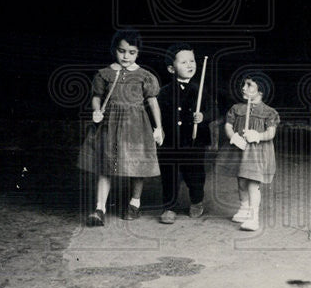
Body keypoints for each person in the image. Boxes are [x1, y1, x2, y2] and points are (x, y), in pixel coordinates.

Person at [78, 29, 163, 226]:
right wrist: (96, 111)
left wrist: (158, 128)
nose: (126, 56)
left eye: (132, 52)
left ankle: (134, 203)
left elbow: (152, 102)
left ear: (138, 53)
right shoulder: (105, 74)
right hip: (110, 125)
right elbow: (97, 96)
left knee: (136, 164)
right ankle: (100, 208)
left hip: (137, 126)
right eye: (122, 51)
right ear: (114, 50)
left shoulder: (145, 76)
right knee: (106, 165)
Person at [156, 44, 216, 225]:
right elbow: (155, 114)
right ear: (171, 68)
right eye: (184, 62)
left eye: (192, 61)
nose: (190, 65)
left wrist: (204, 116)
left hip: (194, 142)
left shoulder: (201, 90)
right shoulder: (163, 92)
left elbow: (214, 110)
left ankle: (196, 201)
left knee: (195, 173)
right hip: (170, 142)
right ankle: (169, 207)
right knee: (169, 174)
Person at [216, 73, 280, 232]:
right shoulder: (237, 109)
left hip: (257, 153)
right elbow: (228, 126)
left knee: (252, 183)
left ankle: (253, 216)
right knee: (241, 181)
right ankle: (244, 208)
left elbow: (271, 133)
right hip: (239, 150)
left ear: (261, 91)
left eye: (249, 85)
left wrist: (259, 135)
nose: (243, 88)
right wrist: (233, 137)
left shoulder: (269, 112)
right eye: (244, 84)